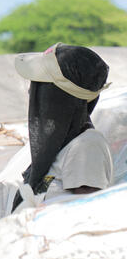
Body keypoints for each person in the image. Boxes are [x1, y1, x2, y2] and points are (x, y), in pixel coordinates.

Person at [14, 44, 113, 207]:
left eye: (40, 86)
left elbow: (84, 216)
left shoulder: (87, 145)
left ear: (56, 96)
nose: (31, 92)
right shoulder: (61, 145)